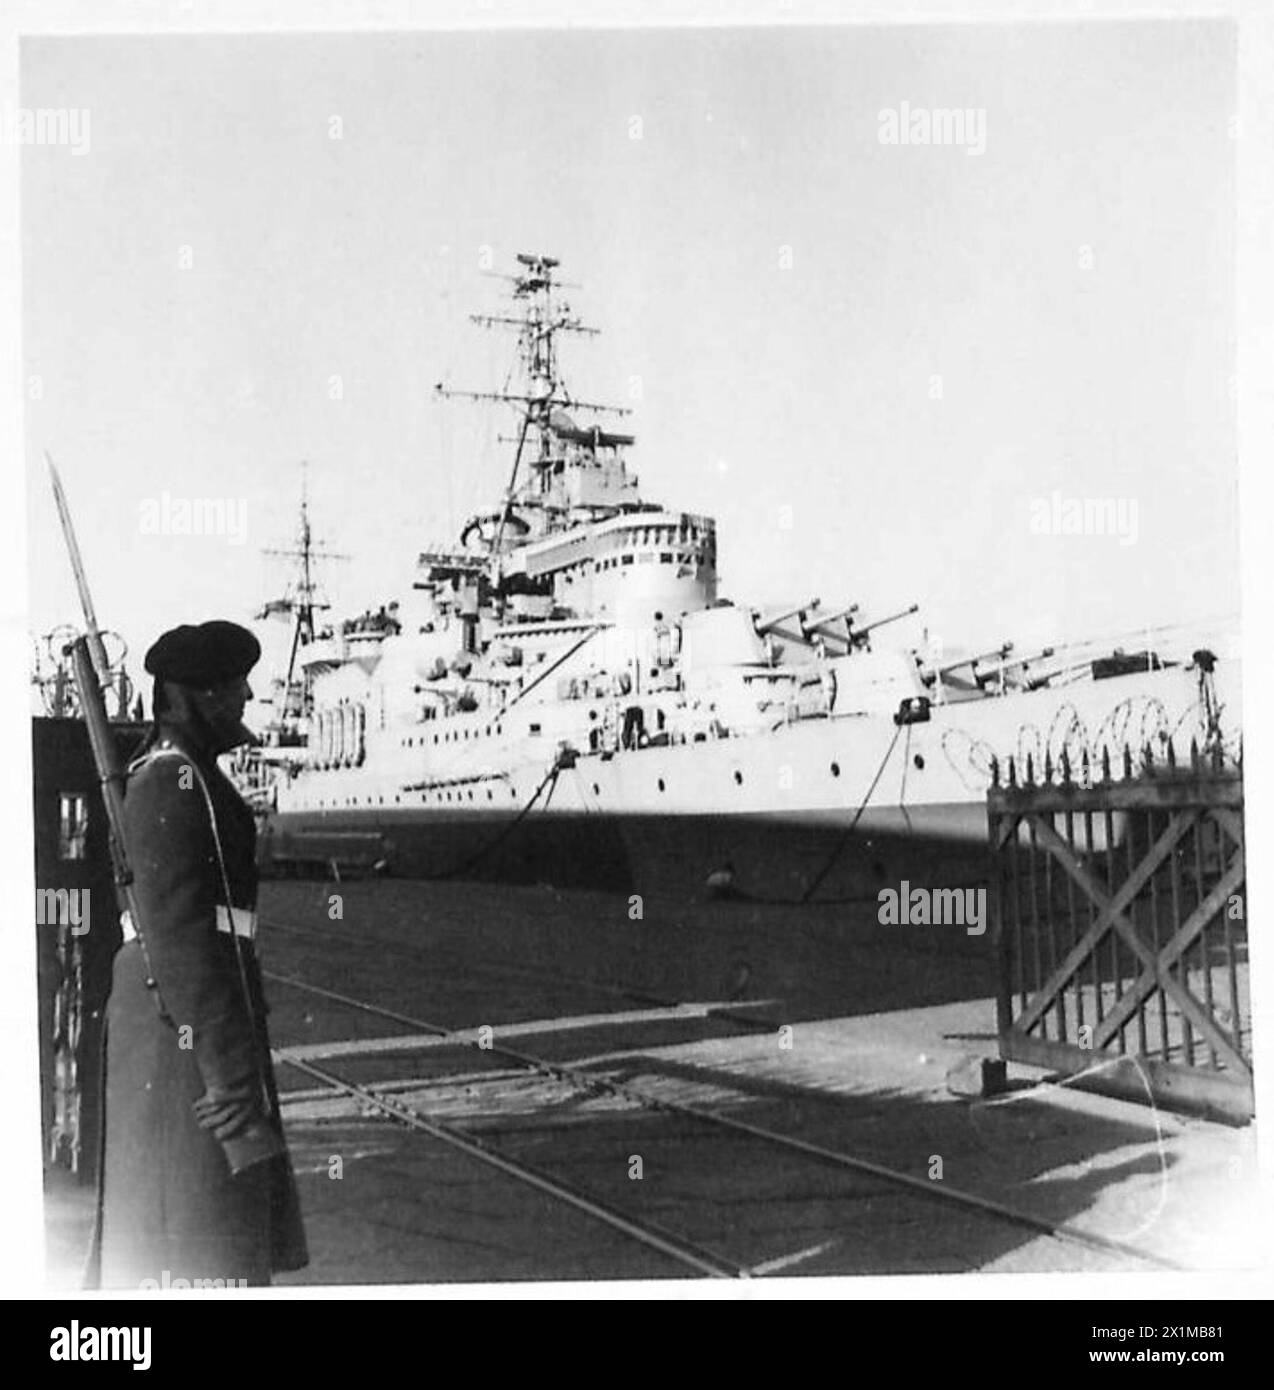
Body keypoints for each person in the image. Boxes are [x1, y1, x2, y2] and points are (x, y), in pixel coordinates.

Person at [87, 620, 307, 1289]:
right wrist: (233, 1086)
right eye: (228, 684)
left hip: (199, 1032)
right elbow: (183, 949)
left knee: (210, 1226)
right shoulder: (167, 783)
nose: (244, 694)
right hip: (179, 1040)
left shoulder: (192, 777)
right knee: (186, 1231)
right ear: (187, 698)